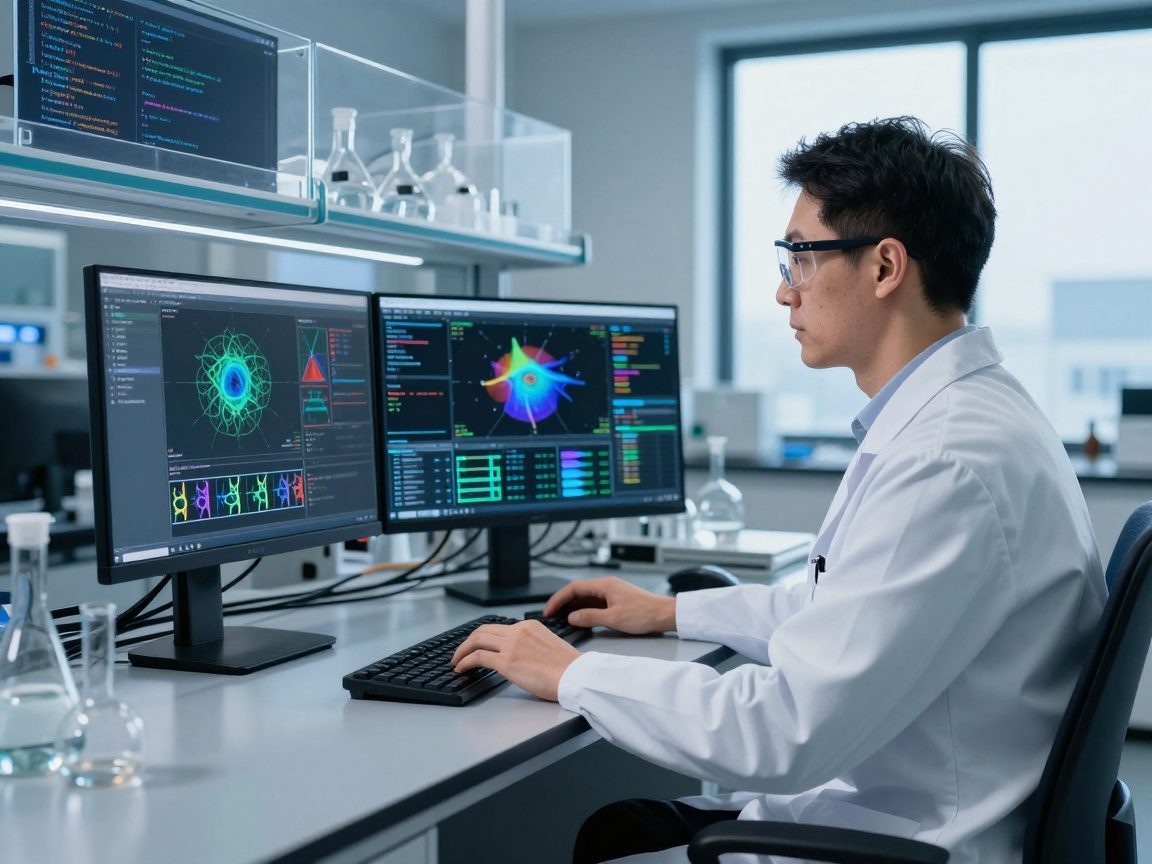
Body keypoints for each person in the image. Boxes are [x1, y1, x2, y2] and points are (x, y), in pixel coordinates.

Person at [451, 116, 1106, 864]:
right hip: (903, 801)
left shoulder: (944, 460)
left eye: (799, 255)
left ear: (885, 267)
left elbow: (782, 731)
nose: (783, 289)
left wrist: (572, 672)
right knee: (618, 828)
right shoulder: (969, 417)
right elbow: (843, 612)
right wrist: (673, 612)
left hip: (897, 841)